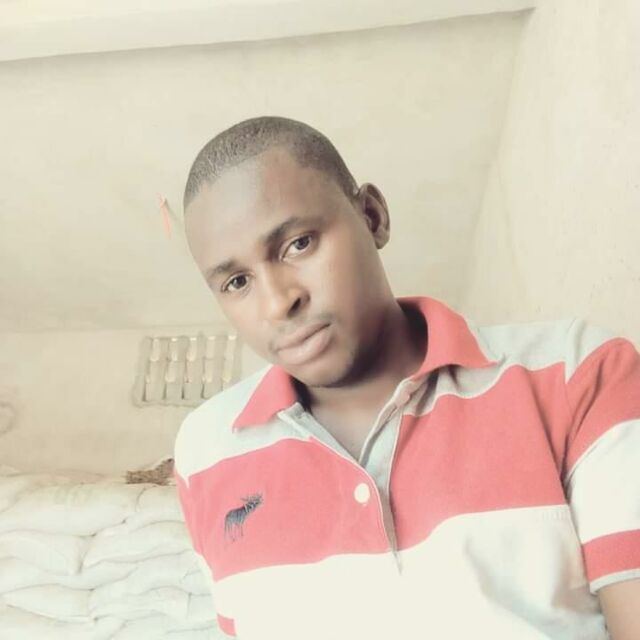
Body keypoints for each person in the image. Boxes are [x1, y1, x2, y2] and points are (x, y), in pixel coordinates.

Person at [173, 116, 640, 639]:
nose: (279, 302)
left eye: (299, 244)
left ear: (372, 216)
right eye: (237, 282)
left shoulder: (577, 373)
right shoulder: (204, 450)